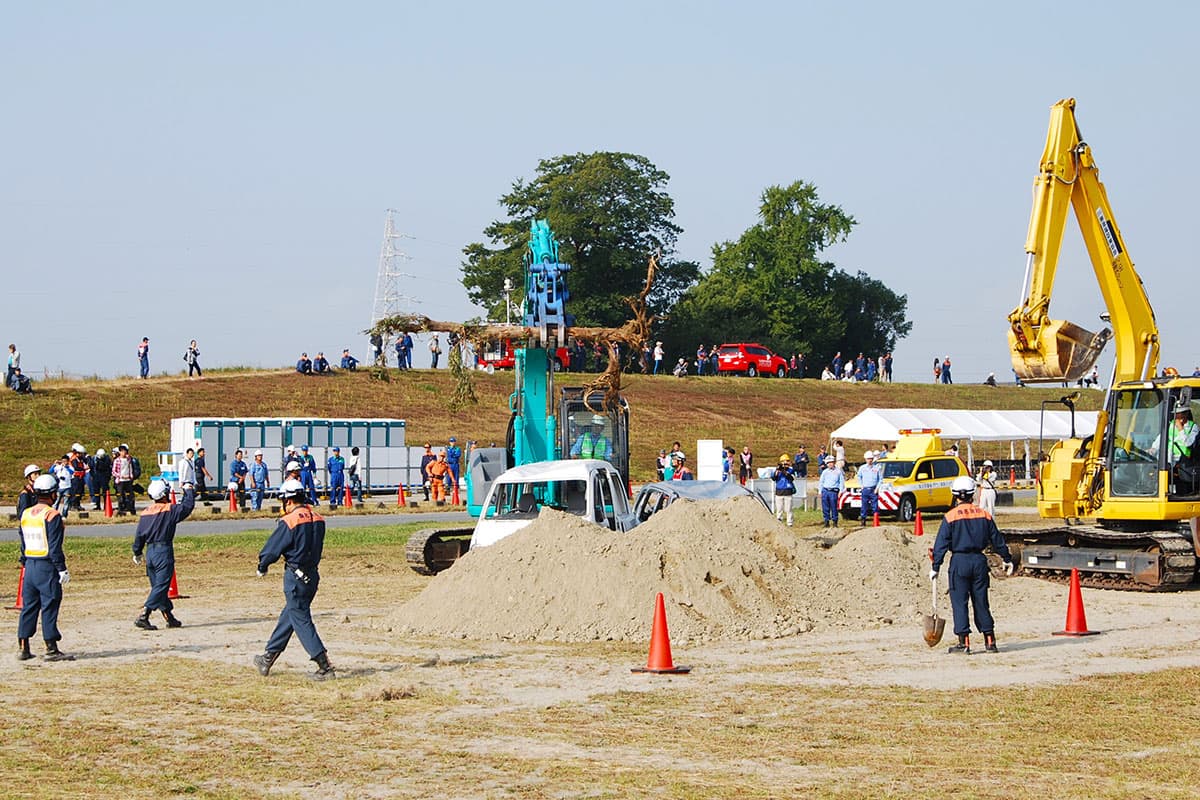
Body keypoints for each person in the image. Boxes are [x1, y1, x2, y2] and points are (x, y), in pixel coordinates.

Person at [252, 478, 335, 680]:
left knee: (301, 619)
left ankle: (324, 665)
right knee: (290, 614)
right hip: (312, 575)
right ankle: (268, 657)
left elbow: (272, 549)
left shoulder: (290, 520)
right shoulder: (318, 518)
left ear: (288, 500)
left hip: (295, 577)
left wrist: (262, 565)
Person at [931, 476, 1015, 654]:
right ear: (972, 494)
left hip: (959, 562)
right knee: (981, 601)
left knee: (959, 602)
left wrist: (935, 567)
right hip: (979, 561)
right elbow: (997, 540)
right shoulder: (984, 515)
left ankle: (964, 643)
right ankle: (990, 641)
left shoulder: (950, 517)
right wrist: (1007, 558)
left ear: (955, 495)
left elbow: (940, 545)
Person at [16, 473, 74, 662]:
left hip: (30, 564)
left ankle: (23, 646)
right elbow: (55, 546)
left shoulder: (26, 514)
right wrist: (62, 568)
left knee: (29, 607)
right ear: (52, 494)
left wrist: (24, 561)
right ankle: (51, 647)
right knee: (50, 604)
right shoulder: (52, 515)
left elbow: (23, 541)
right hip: (46, 566)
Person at [132, 479, 196, 630]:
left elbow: (139, 535)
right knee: (161, 587)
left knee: (158, 586)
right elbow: (187, 507)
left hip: (150, 552)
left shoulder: (146, 512)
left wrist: (137, 551)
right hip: (163, 551)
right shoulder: (169, 510)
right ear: (164, 494)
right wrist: (188, 490)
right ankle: (144, 615)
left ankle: (170, 618)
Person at [856, 450, 882, 525]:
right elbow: (859, 477)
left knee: (875, 506)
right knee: (864, 505)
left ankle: (876, 520)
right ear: (865, 459)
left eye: (871, 458)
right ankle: (863, 520)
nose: (869, 460)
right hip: (865, 489)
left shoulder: (877, 468)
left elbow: (880, 479)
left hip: (874, 489)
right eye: (868, 459)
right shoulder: (862, 468)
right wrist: (861, 486)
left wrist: (877, 488)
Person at [818, 459, 844, 528]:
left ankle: (835, 522)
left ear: (834, 463)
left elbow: (841, 482)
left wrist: (840, 491)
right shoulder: (825, 472)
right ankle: (826, 522)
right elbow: (821, 482)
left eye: (831, 463)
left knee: (834, 507)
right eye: (828, 463)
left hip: (833, 491)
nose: (830, 464)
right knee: (825, 507)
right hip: (825, 491)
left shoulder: (838, 471)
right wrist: (820, 491)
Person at [772, 454, 797, 526]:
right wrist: (777, 471)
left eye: (787, 461)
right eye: (784, 462)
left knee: (788, 509)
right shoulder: (778, 470)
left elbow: (791, 478)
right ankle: (779, 521)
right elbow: (774, 478)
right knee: (779, 509)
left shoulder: (791, 470)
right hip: (779, 492)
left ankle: (789, 522)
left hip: (788, 491)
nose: (785, 463)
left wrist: (784, 471)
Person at [112, 444, 135, 515]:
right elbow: (113, 471)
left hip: (128, 480)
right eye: (122, 451)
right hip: (120, 480)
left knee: (131, 496)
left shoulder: (128, 460)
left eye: (125, 451)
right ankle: (121, 510)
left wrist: (131, 475)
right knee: (120, 496)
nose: (124, 453)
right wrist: (120, 476)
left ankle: (131, 509)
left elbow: (130, 468)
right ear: (119, 452)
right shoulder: (117, 460)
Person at [67, 443, 88, 513]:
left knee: (80, 491)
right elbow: (76, 467)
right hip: (75, 477)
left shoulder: (80, 459)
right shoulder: (74, 459)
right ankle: (72, 504)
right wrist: (84, 468)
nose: (82, 455)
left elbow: (86, 461)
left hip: (81, 477)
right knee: (75, 491)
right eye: (81, 454)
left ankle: (77, 504)